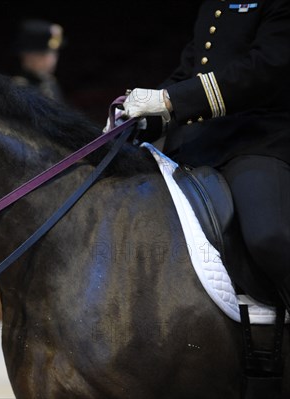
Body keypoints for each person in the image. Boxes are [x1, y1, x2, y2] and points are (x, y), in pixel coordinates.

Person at [117, 0, 290, 311]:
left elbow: (267, 68)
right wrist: (138, 114)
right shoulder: (215, 3)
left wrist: (171, 100)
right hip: (202, 142)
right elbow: (191, 70)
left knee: (268, 237)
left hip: (258, 138)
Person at [11, 18, 65, 102]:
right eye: (45, 54)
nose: (53, 59)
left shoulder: (50, 83)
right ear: (28, 56)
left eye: (54, 53)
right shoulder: (19, 89)